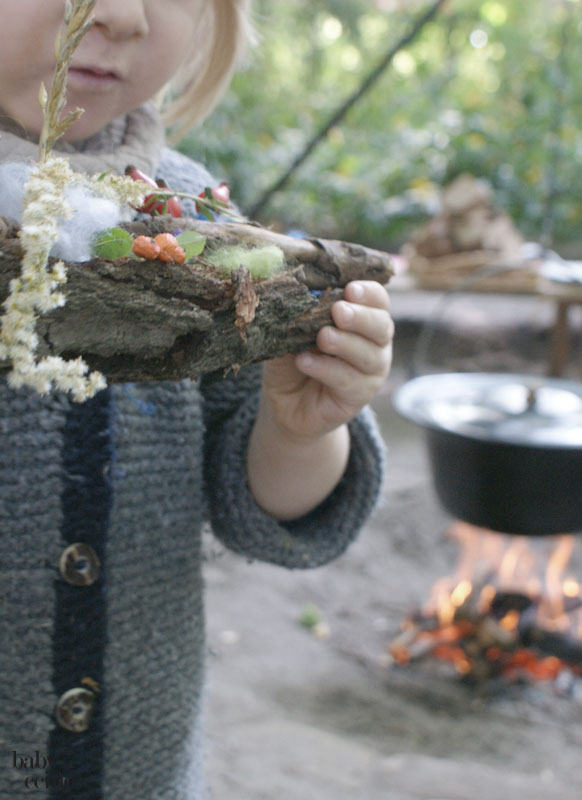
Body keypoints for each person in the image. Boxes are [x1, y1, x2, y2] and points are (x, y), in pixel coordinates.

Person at [0, 1, 394, 797]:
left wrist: (300, 429)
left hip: (137, 769)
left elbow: (261, 503)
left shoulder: (189, 217)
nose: (120, 14)